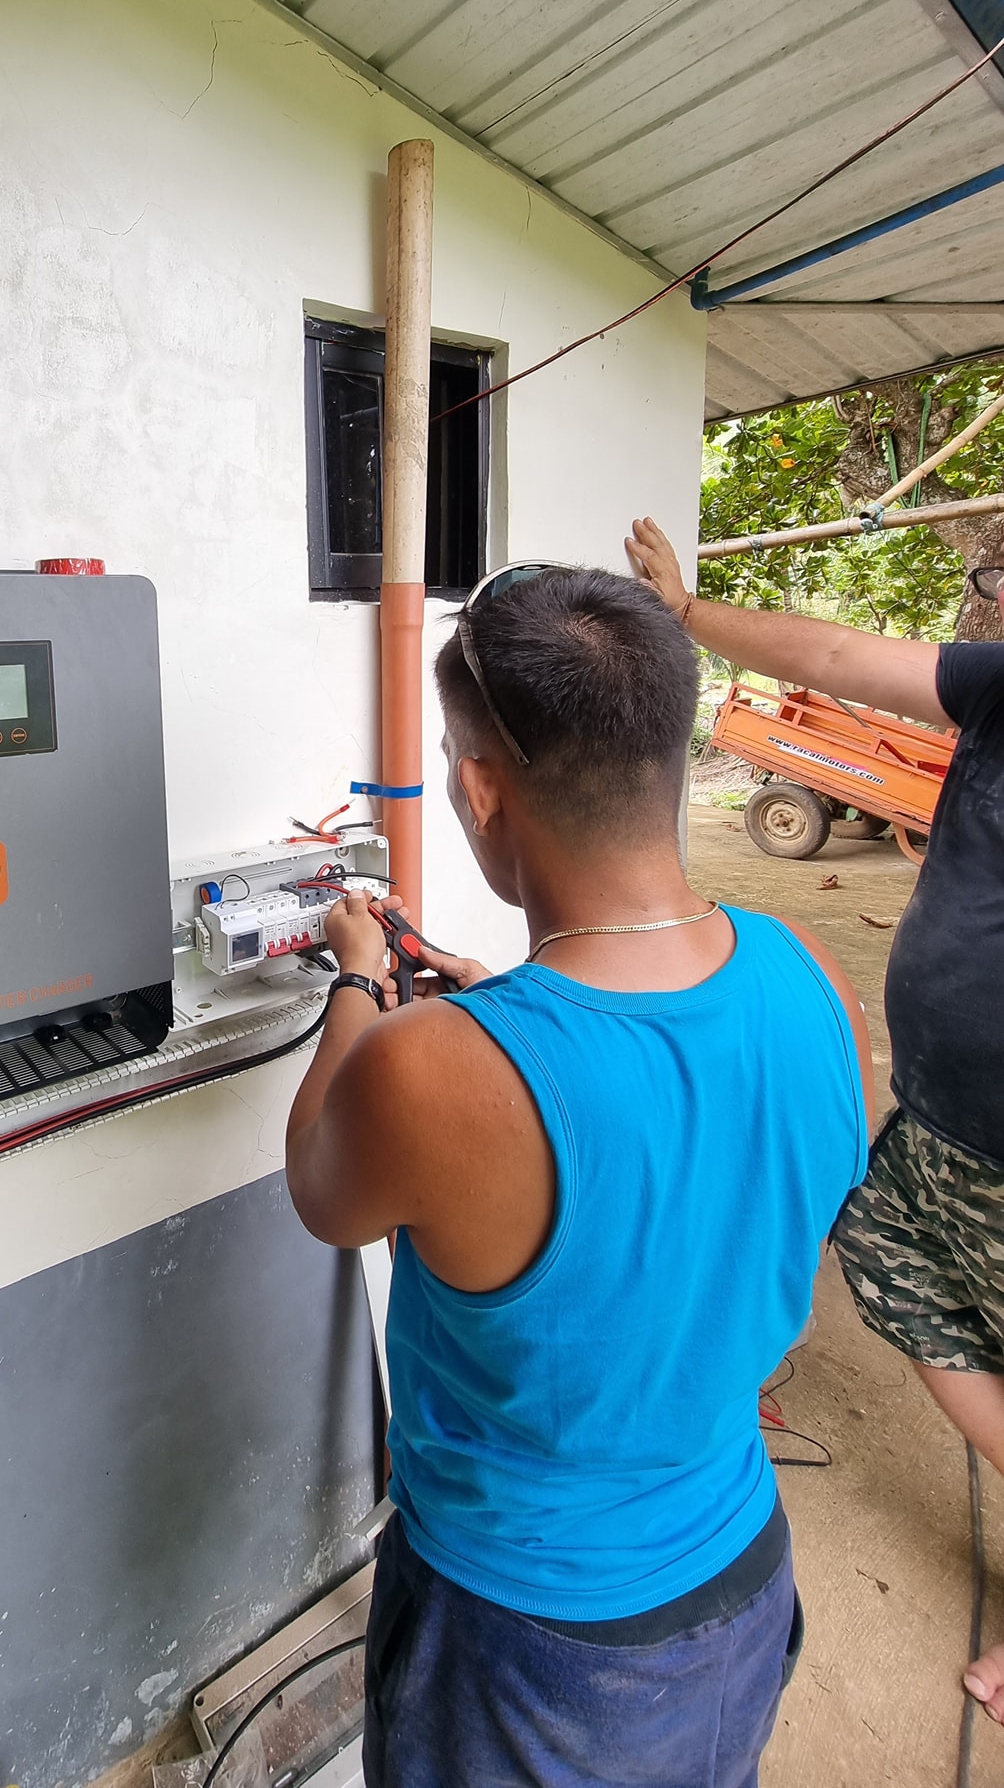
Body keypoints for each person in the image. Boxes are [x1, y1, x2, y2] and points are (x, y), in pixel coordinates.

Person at [286, 565, 870, 1788]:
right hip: (737, 1579)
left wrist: (358, 984)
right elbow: (725, 1192)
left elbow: (321, 1189)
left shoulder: (427, 1070)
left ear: (477, 786)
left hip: (527, 1644)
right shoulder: (806, 971)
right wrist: (497, 1017)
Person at [627, 516, 1004, 1722]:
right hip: (938, 1120)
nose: (987, 599)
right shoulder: (995, 686)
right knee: (884, 1254)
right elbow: (836, 656)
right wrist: (685, 615)